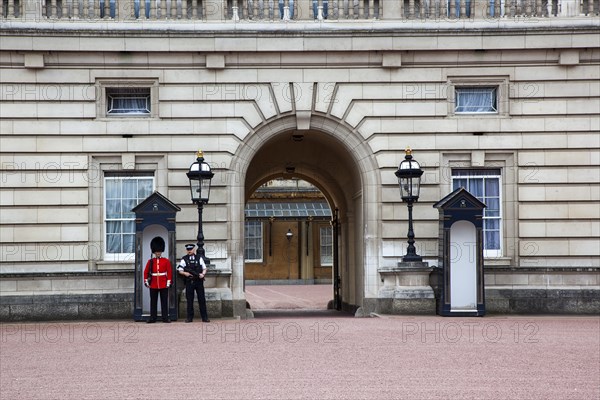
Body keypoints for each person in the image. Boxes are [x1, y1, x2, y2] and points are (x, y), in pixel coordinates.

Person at [178, 243, 210, 323]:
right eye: (188, 250)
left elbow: (204, 268)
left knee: (202, 299)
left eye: (191, 249)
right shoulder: (184, 259)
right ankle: (189, 317)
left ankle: (204, 317)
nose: (189, 251)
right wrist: (185, 274)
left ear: (194, 249)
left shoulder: (199, 258)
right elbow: (180, 270)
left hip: (198, 281)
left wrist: (202, 274)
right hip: (189, 281)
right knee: (189, 300)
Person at [144, 236, 172, 323]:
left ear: (161, 251)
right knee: (153, 302)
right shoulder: (151, 261)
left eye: (159, 251)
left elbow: (169, 272)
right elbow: (146, 272)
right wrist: (146, 281)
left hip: (163, 283)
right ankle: (153, 318)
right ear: (154, 252)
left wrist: (168, 282)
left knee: (164, 301)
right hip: (153, 283)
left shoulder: (166, 261)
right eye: (157, 251)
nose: (158, 253)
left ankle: (165, 317)